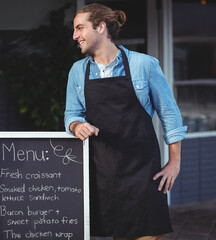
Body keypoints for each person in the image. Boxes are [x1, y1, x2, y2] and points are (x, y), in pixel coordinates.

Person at [64, 3, 187, 240]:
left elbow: (170, 115)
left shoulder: (145, 65)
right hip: (105, 175)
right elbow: (71, 114)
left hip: (144, 173)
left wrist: (174, 162)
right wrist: (77, 125)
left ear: (100, 27)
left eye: (80, 28)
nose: (75, 36)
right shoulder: (78, 71)